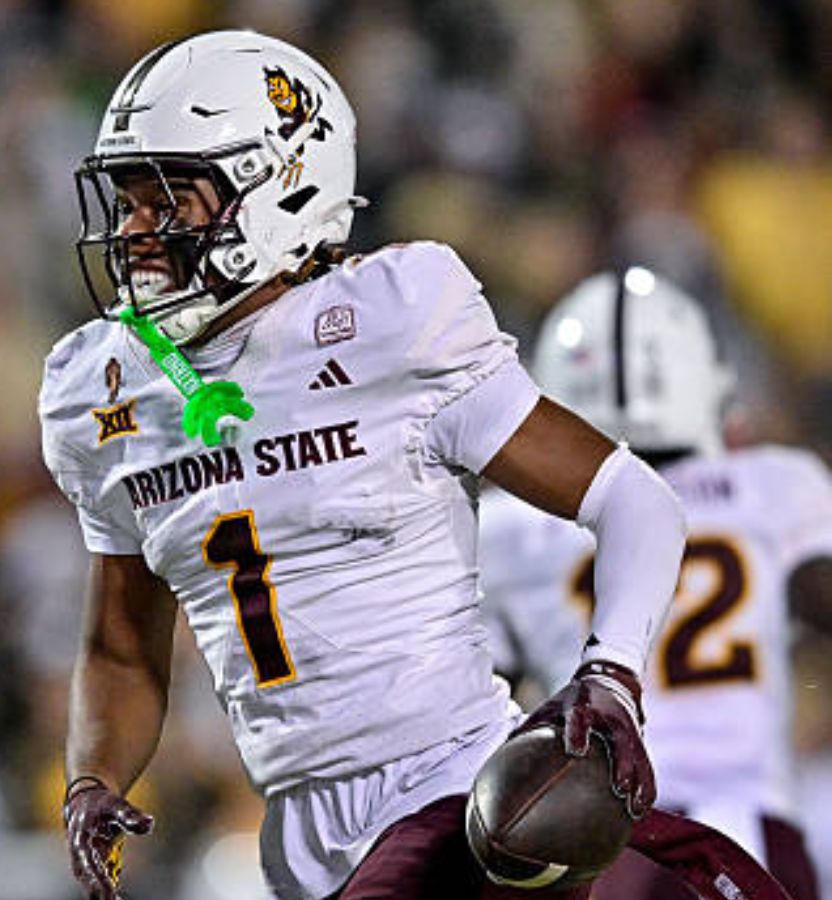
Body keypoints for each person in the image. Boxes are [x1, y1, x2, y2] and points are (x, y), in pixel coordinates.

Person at [39, 30, 692, 900]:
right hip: (295, 836)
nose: (134, 231)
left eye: (167, 200)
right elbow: (121, 648)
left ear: (281, 186)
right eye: (125, 201)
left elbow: (632, 500)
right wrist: (95, 778)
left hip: (459, 797)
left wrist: (610, 676)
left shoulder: (389, 320)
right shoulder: (104, 388)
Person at [478, 268, 832, 899]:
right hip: (756, 837)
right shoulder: (777, 486)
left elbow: (475, 702)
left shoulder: (511, 531)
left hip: (602, 837)